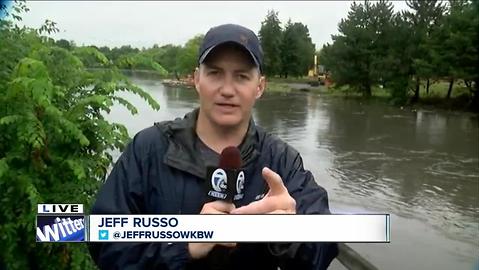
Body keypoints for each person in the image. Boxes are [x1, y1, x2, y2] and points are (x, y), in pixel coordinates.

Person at [88, 23, 338, 270]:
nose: (227, 90)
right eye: (215, 73)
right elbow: (104, 241)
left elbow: (323, 247)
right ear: (197, 79)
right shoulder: (148, 149)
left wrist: (291, 233)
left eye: (241, 76)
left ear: (259, 86)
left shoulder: (281, 161)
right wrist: (183, 246)